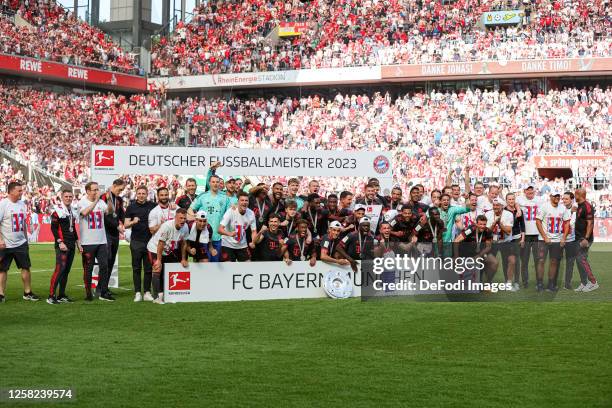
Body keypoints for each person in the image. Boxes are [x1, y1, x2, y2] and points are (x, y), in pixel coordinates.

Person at [0, 181, 39, 303]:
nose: (21, 193)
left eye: (22, 190)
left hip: (21, 243)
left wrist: (26, 240)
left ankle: (27, 292)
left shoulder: (22, 204)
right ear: (11, 191)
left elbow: (23, 224)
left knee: (26, 268)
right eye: (19, 190)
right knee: (2, 269)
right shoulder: (3, 204)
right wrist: (0, 240)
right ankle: (1, 294)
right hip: (5, 243)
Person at [77, 181, 113, 301]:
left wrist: (109, 199)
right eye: (94, 189)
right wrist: (97, 201)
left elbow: (110, 212)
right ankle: (88, 293)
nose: (97, 191)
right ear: (87, 191)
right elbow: (85, 213)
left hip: (101, 241)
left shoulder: (101, 202)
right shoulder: (81, 202)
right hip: (88, 242)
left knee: (104, 266)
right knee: (89, 268)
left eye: (97, 189)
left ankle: (103, 292)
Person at [147, 208, 190, 304]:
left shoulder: (186, 227)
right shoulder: (167, 226)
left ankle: (168, 296)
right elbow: (160, 244)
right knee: (157, 268)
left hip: (168, 250)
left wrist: (183, 259)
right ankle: (156, 297)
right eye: (180, 218)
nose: (183, 220)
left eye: (184, 218)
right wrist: (158, 260)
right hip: (155, 248)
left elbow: (184, 243)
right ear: (175, 218)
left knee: (170, 271)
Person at [48, 189, 81, 304]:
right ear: (62, 197)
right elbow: (53, 228)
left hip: (71, 244)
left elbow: (73, 229)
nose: (68, 198)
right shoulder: (57, 211)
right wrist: (59, 242)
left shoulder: (71, 210)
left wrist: (78, 242)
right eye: (66, 196)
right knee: (59, 270)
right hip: (62, 245)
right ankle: (51, 296)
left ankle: (61, 295)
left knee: (66, 271)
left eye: (70, 196)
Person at [124, 185, 156, 302]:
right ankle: (137, 292)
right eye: (139, 193)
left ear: (147, 194)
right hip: (136, 241)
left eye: (143, 193)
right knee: (136, 268)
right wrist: (133, 221)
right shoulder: (131, 207)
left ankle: (147, 292)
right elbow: (125, 224)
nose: (141, 195)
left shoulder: (153, 206)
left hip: (150, 242)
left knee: (148, 268)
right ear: (136, 194)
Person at [189, 174, 230, 262]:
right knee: (203, 265)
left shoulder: (225, 197)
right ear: (209, 183)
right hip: (203, 238)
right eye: (213, 182)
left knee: (215, 265)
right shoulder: (202, 196)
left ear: (220, 183)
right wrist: (194, 217)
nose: (215, 184)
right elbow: (190, 209)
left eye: (217, 182)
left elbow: (230, 214)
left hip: (218, 237)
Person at [535, 190, 570, 292]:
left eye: (558, 196)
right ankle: (540, 283)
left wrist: (564, 237)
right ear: (550, 196)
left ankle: (551, 284)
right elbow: (538, 221)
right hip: (543, 239)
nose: (557, 198)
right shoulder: (544, 206)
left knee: (554, 261)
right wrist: (544, 236)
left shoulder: (563, 208)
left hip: (557, 239)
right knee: (541, 261)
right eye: (555, 196)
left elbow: (567, 223)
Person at [454, 215, 496, 283]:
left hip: (478, 253)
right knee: (452, 262)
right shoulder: (470, 230)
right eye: (480, 224)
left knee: (494, 262)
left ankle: (488, 282)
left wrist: (479, 255)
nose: (482, 226)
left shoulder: (488, 231)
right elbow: (456, 241)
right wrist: (456, 257)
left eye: (484, 224)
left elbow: (488, 247)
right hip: (465, 253)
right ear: (476, 224)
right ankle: (453, 282)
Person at [101, 178, 126, 292]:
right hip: (105, 232)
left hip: (114, 234)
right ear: (114, 185)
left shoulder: (119, 199)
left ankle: (104, 287)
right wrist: (117, 226)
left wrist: (128, 224)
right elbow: (104, 216)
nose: (120, 192)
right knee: (107, 260)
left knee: (111, 261)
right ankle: (102, 288)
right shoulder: (104, 197)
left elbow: (122, 215)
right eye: (119, 189)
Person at [516, 184, 544, 288]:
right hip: (525, 235)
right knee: (524, 260)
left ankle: (539, 282)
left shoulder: (540, 200)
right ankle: (525, 282)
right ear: (524, 191)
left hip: (537, 235)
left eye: (531, 192)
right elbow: (513, 202)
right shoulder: (519, 199)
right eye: (528, 192)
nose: (530, 194)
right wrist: (518, 208)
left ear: (534, 191)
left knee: (538, 260)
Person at [218, 192, 258, 262]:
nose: (244, 202)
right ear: (238, 202)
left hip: (242, 245)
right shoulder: (231, 211)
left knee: (248, 265)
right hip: (227, 244)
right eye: (242, 200)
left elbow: (254, 231)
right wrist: (230, 234)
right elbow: (219, 229)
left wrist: (253, 242)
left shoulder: (251, 213)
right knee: (228, 268)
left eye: (246, 200)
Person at [485, 199, 515, 289]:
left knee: (511, 260)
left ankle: (508, 283)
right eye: (494, 205)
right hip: (492, 242)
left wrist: (500, 225)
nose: (495, 207)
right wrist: (494, 224)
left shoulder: (508, 214)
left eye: (498, 205)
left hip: (505, 242)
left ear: (502, 206)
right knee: (490, 262)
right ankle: (488, 282)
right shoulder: (488, 214)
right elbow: (487, 232)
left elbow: (508, 231)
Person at [573, 188, 599, 292]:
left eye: (575, 194)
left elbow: (590, 223)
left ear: (579, 195)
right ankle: (584, 283)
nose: (574, 196)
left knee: (581, 259)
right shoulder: (580, 206)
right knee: (579, 260)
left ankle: (593, 282)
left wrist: (586, 238)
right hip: (578, 238)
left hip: (584, 238)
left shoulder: (587, 206)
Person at [504, 193, 525, 290]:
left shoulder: (519, 211)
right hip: (506, 239)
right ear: (506, 200)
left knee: (516, 261)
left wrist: (523, 238)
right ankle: (508, 281)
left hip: (517, 238)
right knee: (508, 261)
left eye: (513, 199)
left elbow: (522, 225)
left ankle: (516, 282)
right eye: (509, 199)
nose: (511, 201)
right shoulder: (503, 211)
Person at [561, 192, 578, 290]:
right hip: (559, 239)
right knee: (556, 261)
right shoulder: (560, 209)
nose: (564, 200)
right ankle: (554, 283)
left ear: (572, 199)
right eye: (563, 199)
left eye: (566, 199)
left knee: (570, 262)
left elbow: (570, 224)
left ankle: (567, 283)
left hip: (571, 240)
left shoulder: (576, 210)